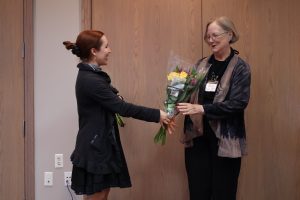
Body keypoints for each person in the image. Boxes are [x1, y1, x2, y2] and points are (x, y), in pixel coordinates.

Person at [63, 30, 172, 200]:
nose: (109, 50)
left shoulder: (91, 75)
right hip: (94, 147)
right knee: (98, 195)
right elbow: (122, 108)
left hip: (98, 144)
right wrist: (158, 115)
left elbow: (109, 101)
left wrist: (113, 97)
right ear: (93, 51)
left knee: (101, 193)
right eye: (106, 46)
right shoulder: (91, 80)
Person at [177, 16, 251, 200]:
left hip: (225, 141)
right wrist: (174, 101)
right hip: (198, 139)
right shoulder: (201, 65)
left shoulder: (240, 67)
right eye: (207, 36)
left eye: (215, 35)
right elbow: (187, 94)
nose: (210, 40)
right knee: (198, 191)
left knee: (223, 193)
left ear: (230, 34)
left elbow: (238, 103)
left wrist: (202, 109)